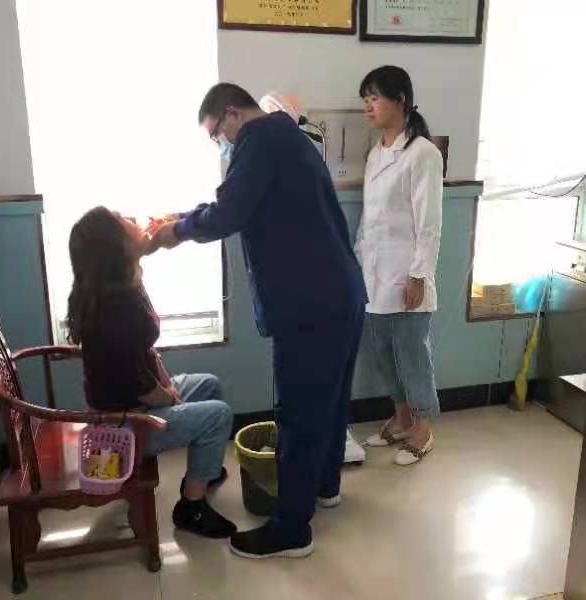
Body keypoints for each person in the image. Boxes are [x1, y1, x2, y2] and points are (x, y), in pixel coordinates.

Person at [146, 83, 367, 559]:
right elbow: (238, 203)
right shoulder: (285, 136)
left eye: (216, 135)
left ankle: (291, 530)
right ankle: (324, 487)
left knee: (299, 413)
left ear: (231, 114)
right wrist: (179, 217)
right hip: (340, 295)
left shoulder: (259, 139)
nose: (221, 145)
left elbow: (228, 213)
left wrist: (174, 232)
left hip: (310, 306)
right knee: (329, 403)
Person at [66, 206, 236, 539]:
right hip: (125, 427)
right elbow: (139, 386)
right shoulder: (117, 310)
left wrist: (166, 385)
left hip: (133, 405)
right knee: (218, 415)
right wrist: (168, 396)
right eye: (123, 220)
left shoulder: (119, 287)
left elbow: (144, 356)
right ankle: (191, 507)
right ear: (114, 249)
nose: (133, 219)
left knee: (209, 385)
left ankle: (204, 471)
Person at [355, 66, 443, 466]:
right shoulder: (376, 153)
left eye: (374, 98)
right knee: (383, 354)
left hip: (407, 273)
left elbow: (429, 223)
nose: (368, 106)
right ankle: (402, 416)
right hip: (373, 274)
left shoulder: (423, 153)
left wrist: (419, 275)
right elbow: (369, 218)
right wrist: (357, 261)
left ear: (401, 100)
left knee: (411, 354)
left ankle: (423, 429)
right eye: (366, 99)